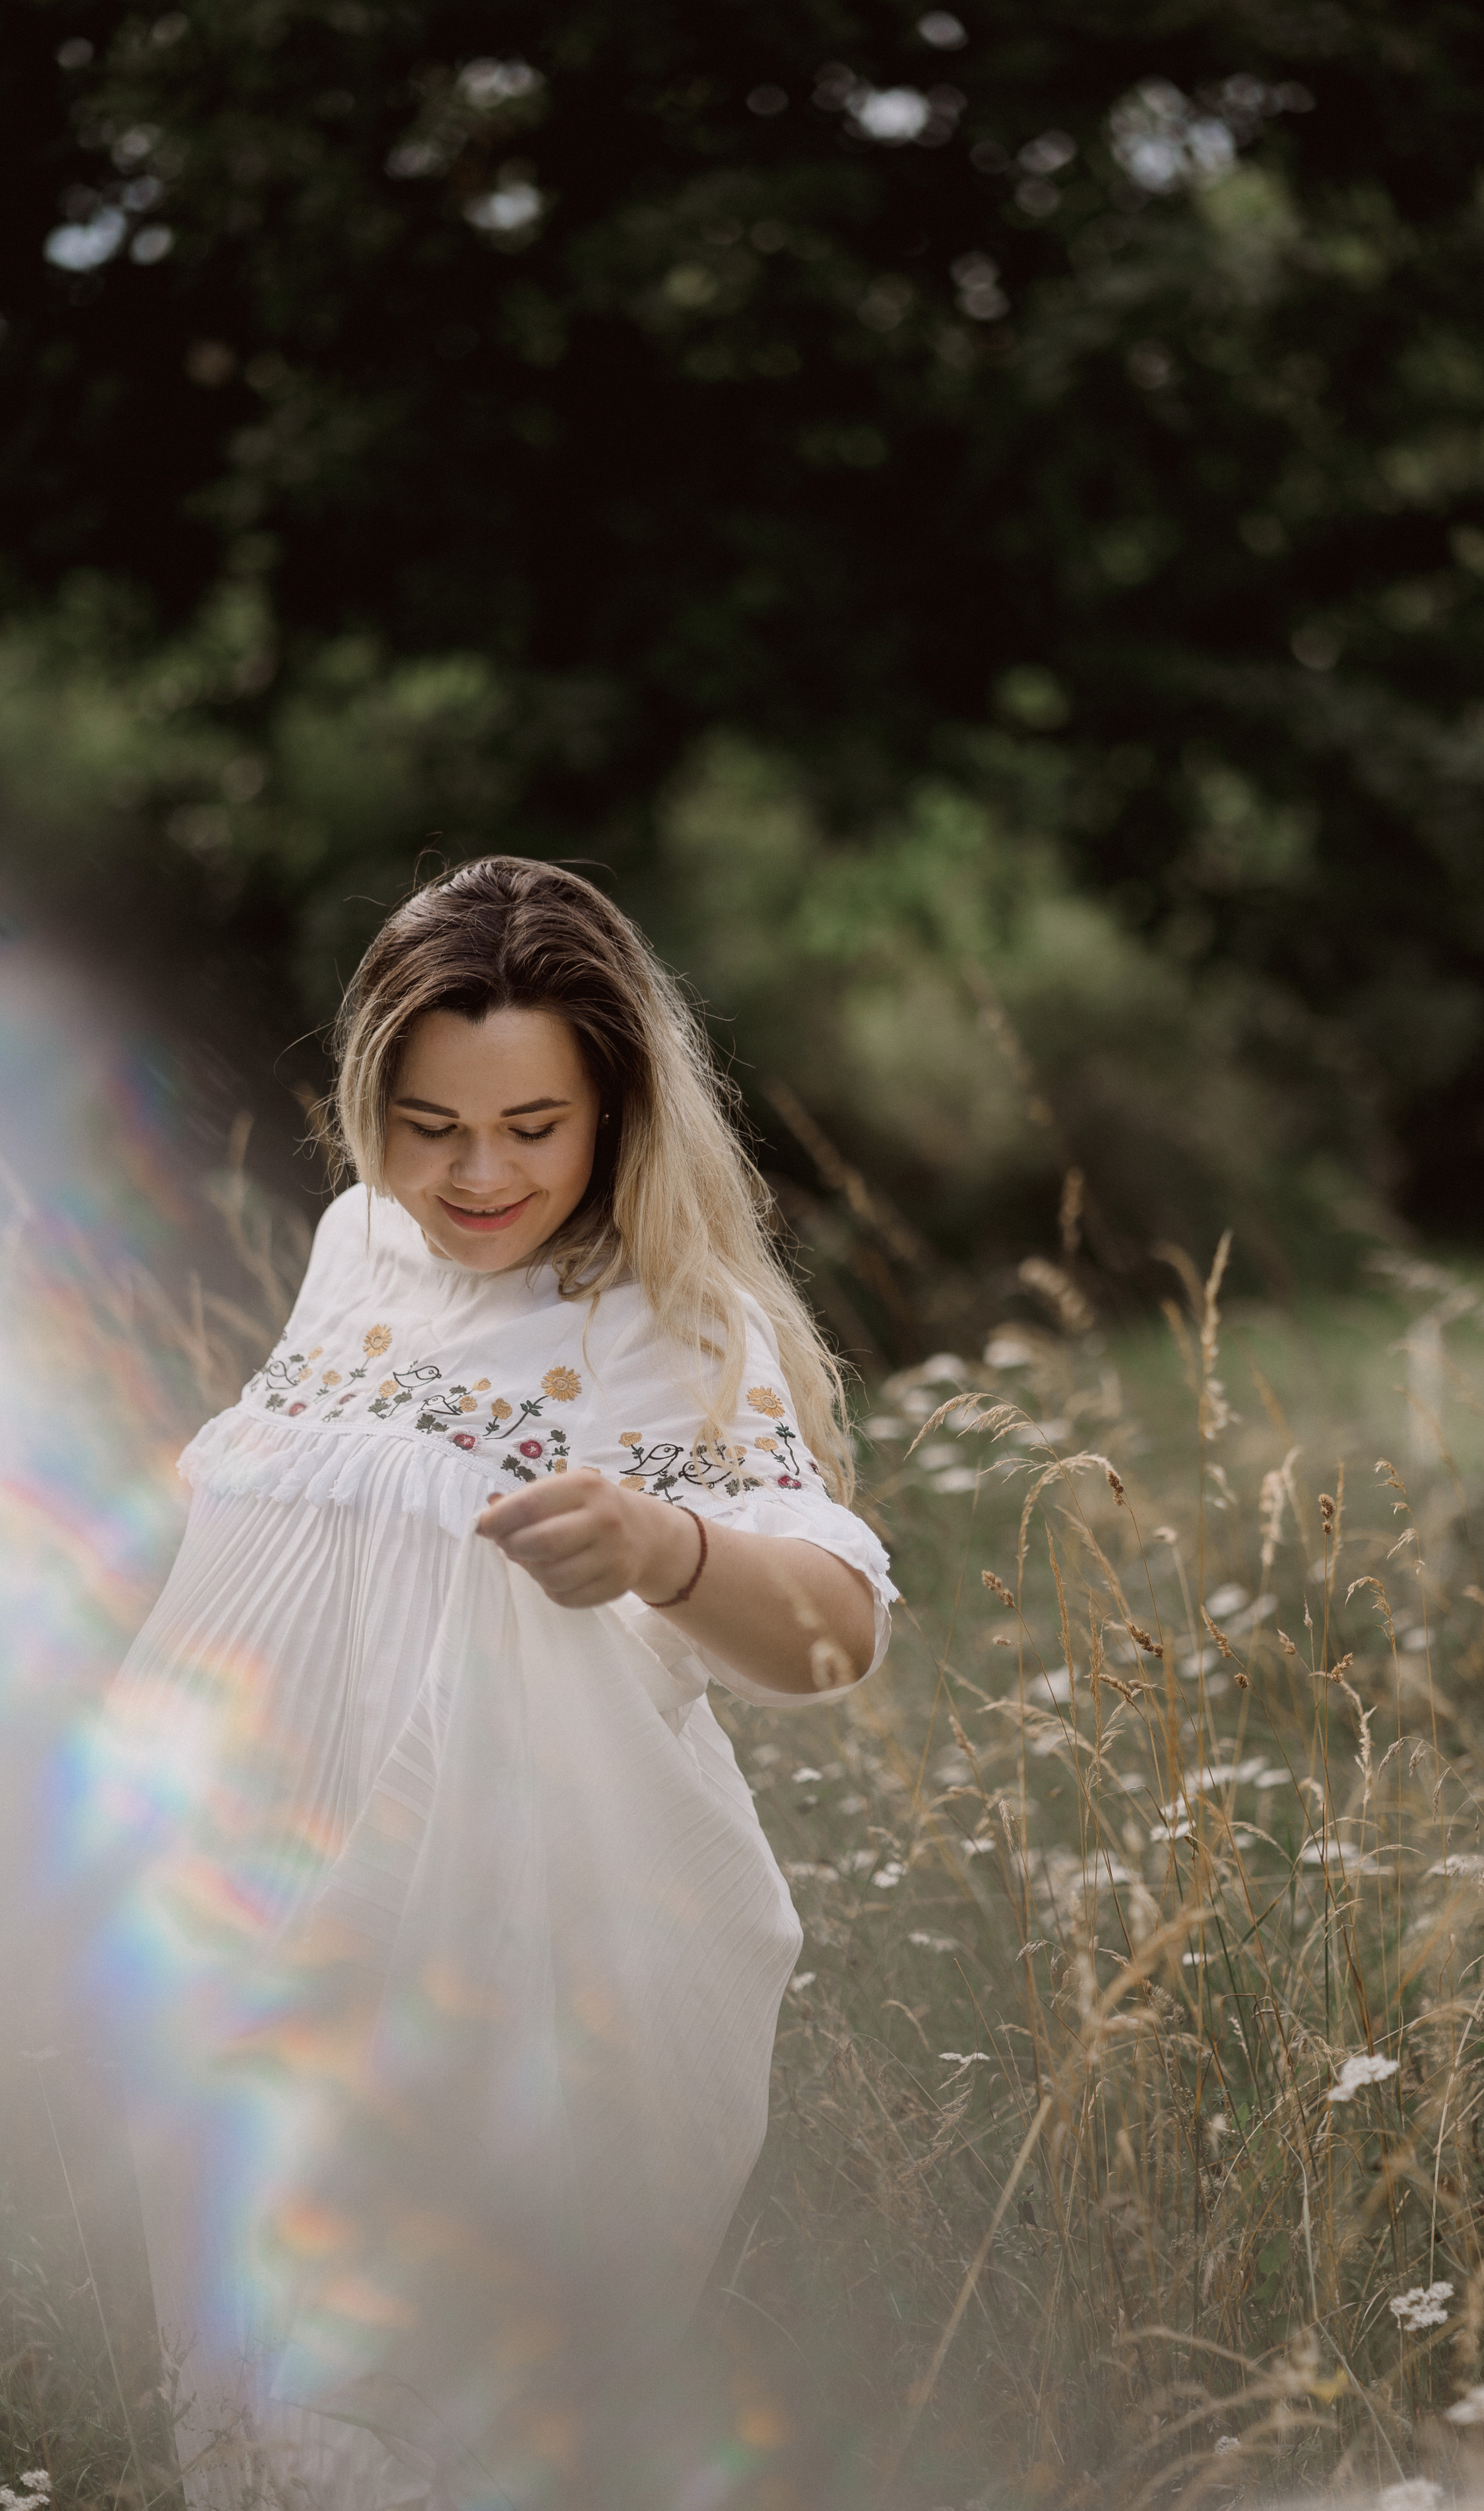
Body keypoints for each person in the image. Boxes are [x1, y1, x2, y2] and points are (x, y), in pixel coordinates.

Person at [94, 859, 896, 2510]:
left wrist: (666, 1548)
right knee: (258, 2424)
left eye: (532, 1128)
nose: (475, 1175)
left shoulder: (672, 1325)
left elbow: (832, 1640)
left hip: (526, 1974)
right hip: (269, 1942)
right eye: (429, 1122)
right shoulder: (353, 1247)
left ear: (616, 1107)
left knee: (442, 2432)